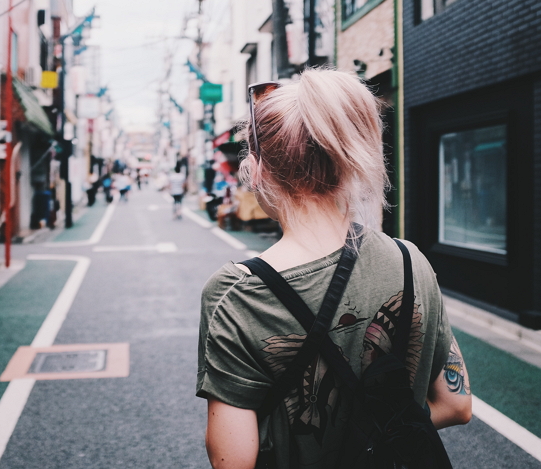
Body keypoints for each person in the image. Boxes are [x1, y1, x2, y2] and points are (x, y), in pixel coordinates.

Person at [197, 69, 471, 469]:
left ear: (257, 171)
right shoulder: (410, 260)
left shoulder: (235, 293)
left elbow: (233, 461)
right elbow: (456, 403)